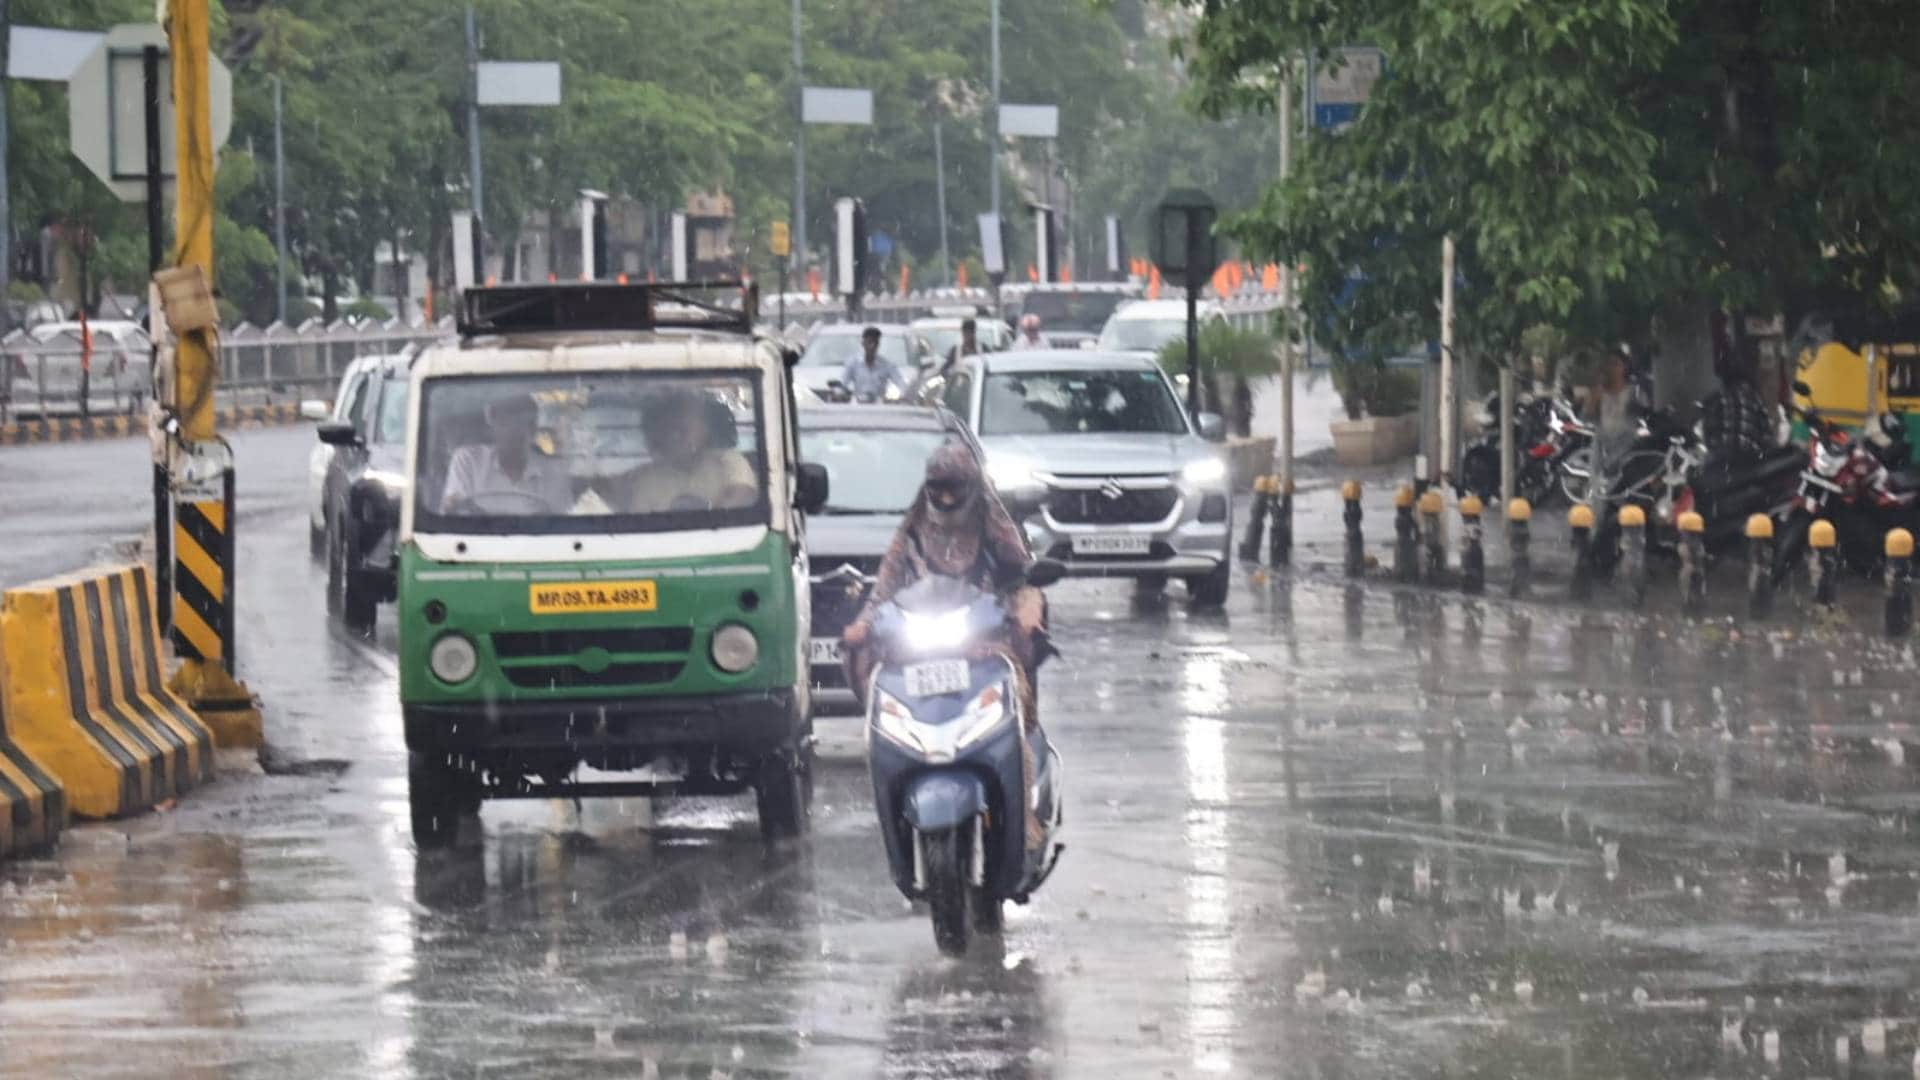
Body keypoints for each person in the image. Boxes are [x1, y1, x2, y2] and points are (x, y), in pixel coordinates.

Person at [841, 442, 1052, 850]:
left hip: (985, 641)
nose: (947, 499)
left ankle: (1023, 813)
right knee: (881, 695)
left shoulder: (994, 525)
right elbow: (884, 589)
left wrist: (1027, 608)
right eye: (938, 489)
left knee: (1014, 710)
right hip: (922, 643)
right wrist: (863, 625)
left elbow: (1025, 578)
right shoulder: (913, 531)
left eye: (955, 489)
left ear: (972, 487)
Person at [620, 387, 758, 513]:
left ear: (705, 430)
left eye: (684, 430)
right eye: (673, 430)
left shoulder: (728, 461)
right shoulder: (646, 482)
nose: (677, 437)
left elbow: (742, 497)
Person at [438, 393, 572, 513]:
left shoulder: (554, 472)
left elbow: (563, 523)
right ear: (493, 428)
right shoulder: (468, 461)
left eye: (519, 424)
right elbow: (455, 510)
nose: (511, 432)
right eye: (504, 423)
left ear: (532, 430)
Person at [840, 327, 910, 402]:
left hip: (880, 408)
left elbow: (900, 383)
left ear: (878, 345)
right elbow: (843, 383)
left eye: (875, 343)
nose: (872, 346)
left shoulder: (887, 365)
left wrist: (903, 395)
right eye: (869, 342)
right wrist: (840, 393)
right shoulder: (853, 363)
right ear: (863, 344)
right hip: (859, 406)